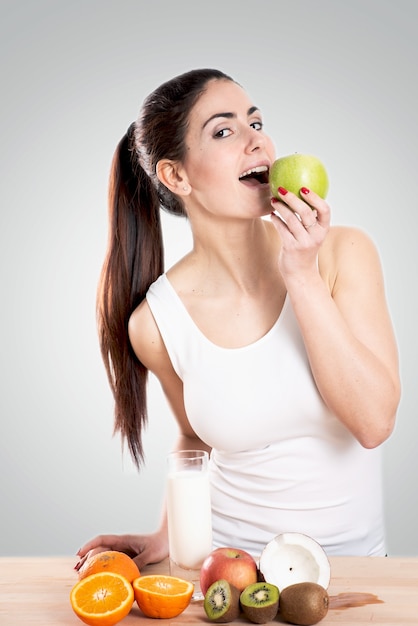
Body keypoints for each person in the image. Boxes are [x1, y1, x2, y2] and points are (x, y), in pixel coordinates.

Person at [75, 68, 400, 572]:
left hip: (357, 568)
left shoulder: (343, 254)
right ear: (175, 176)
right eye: (224, 131)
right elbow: (193, 438)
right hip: (227, 572)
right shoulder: (156, 323)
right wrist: (167, 534)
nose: (258, 141)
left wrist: (303, 276)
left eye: (256, 122)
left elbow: (374, 422)